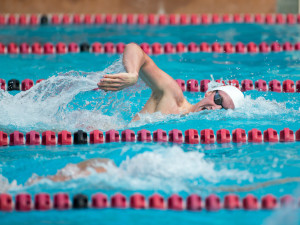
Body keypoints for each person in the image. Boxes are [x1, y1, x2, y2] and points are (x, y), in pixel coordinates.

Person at [97, 43, 244, 121]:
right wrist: (133, 74)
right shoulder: (172, 96)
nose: (216, 109)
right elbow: (134, 49)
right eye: (218, 100)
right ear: (209, 92)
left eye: (224, 110)